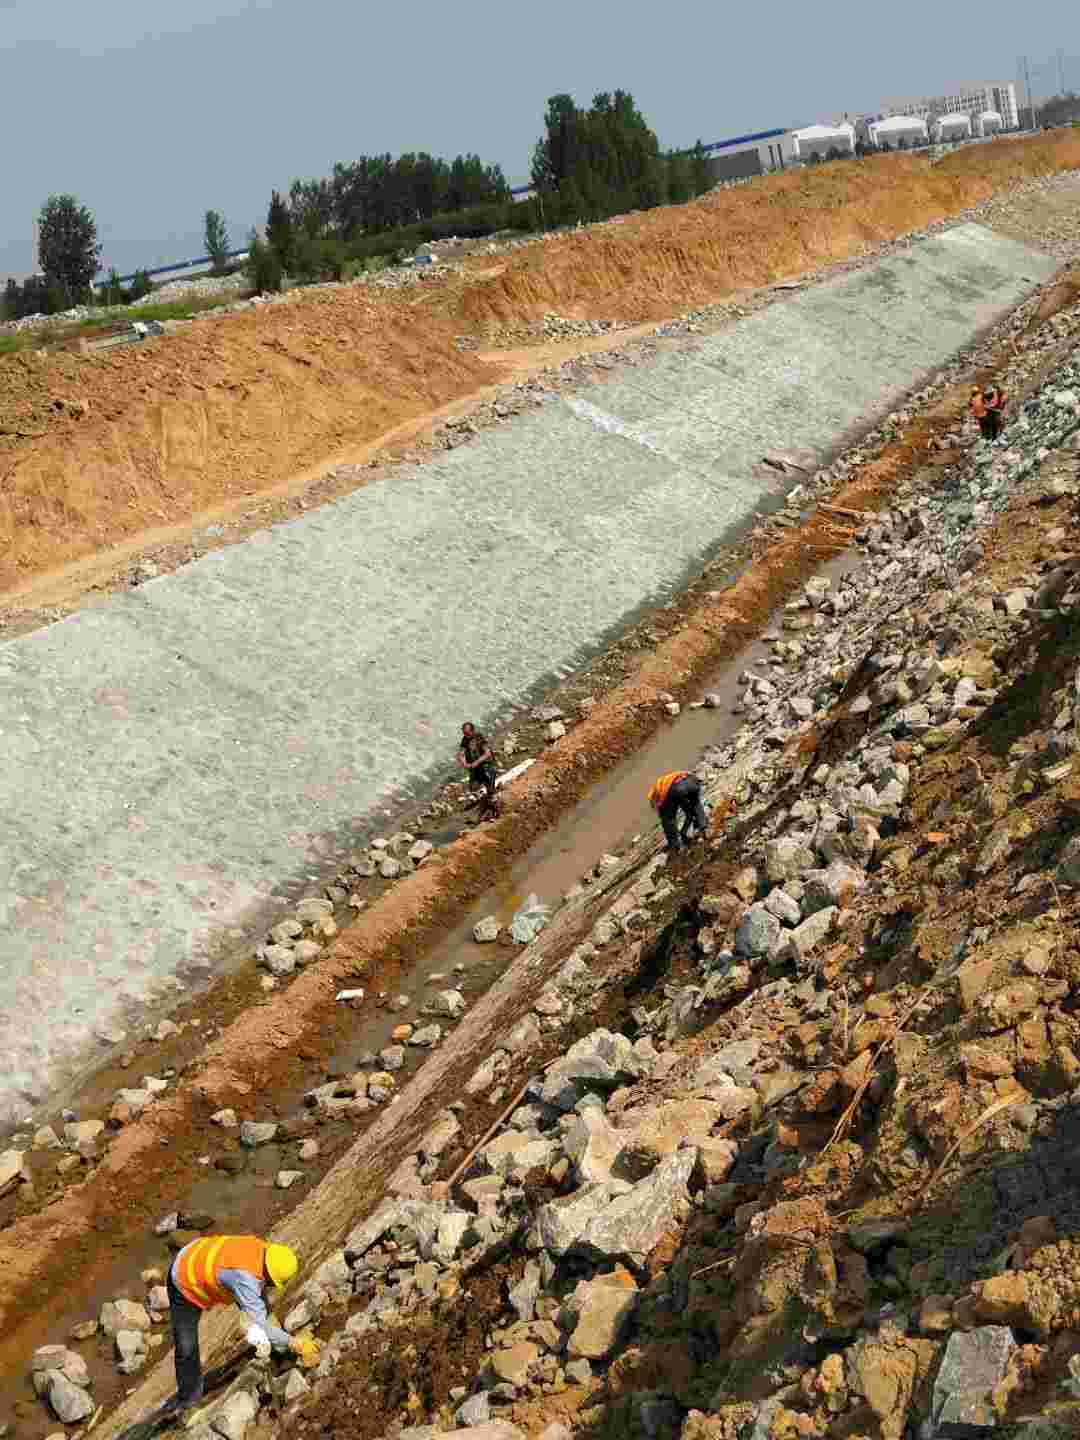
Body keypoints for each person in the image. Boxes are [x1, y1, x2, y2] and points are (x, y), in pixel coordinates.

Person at [167, 1235, 316, 1411]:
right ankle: (188, 1399)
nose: (272, 1286)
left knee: (261, 1310)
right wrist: (295, 1343)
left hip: (201, 1255)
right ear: (269, 1274)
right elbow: (260, 1325)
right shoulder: (244, 1279)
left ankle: (280, 1350)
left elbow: (259, 1308)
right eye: (272, 1282)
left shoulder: (263, 1251)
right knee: (186, 1346)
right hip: (184, 1280)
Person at [648, 770, 709, 852]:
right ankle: (703, 827)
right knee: (695, 804)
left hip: (674, 789)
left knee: (668, 820)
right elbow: (691, 778)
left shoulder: (653, 792)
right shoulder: (672, 777)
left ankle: (675, 845)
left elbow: (657, 805)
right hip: (691, 783)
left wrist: (662, 814)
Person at [457, 722, 500, 820]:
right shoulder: (465, 740)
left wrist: (476, 762)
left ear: (472, 731)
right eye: (464, 733)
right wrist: (464, 762)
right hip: (475, 768)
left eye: (467, 733)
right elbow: (461, 753)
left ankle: (495, 811)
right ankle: (484, 803)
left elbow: (487, 753)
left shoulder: (479, 738)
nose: (466, 735)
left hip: (486, 766)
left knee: (490, 789)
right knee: (473, 787)